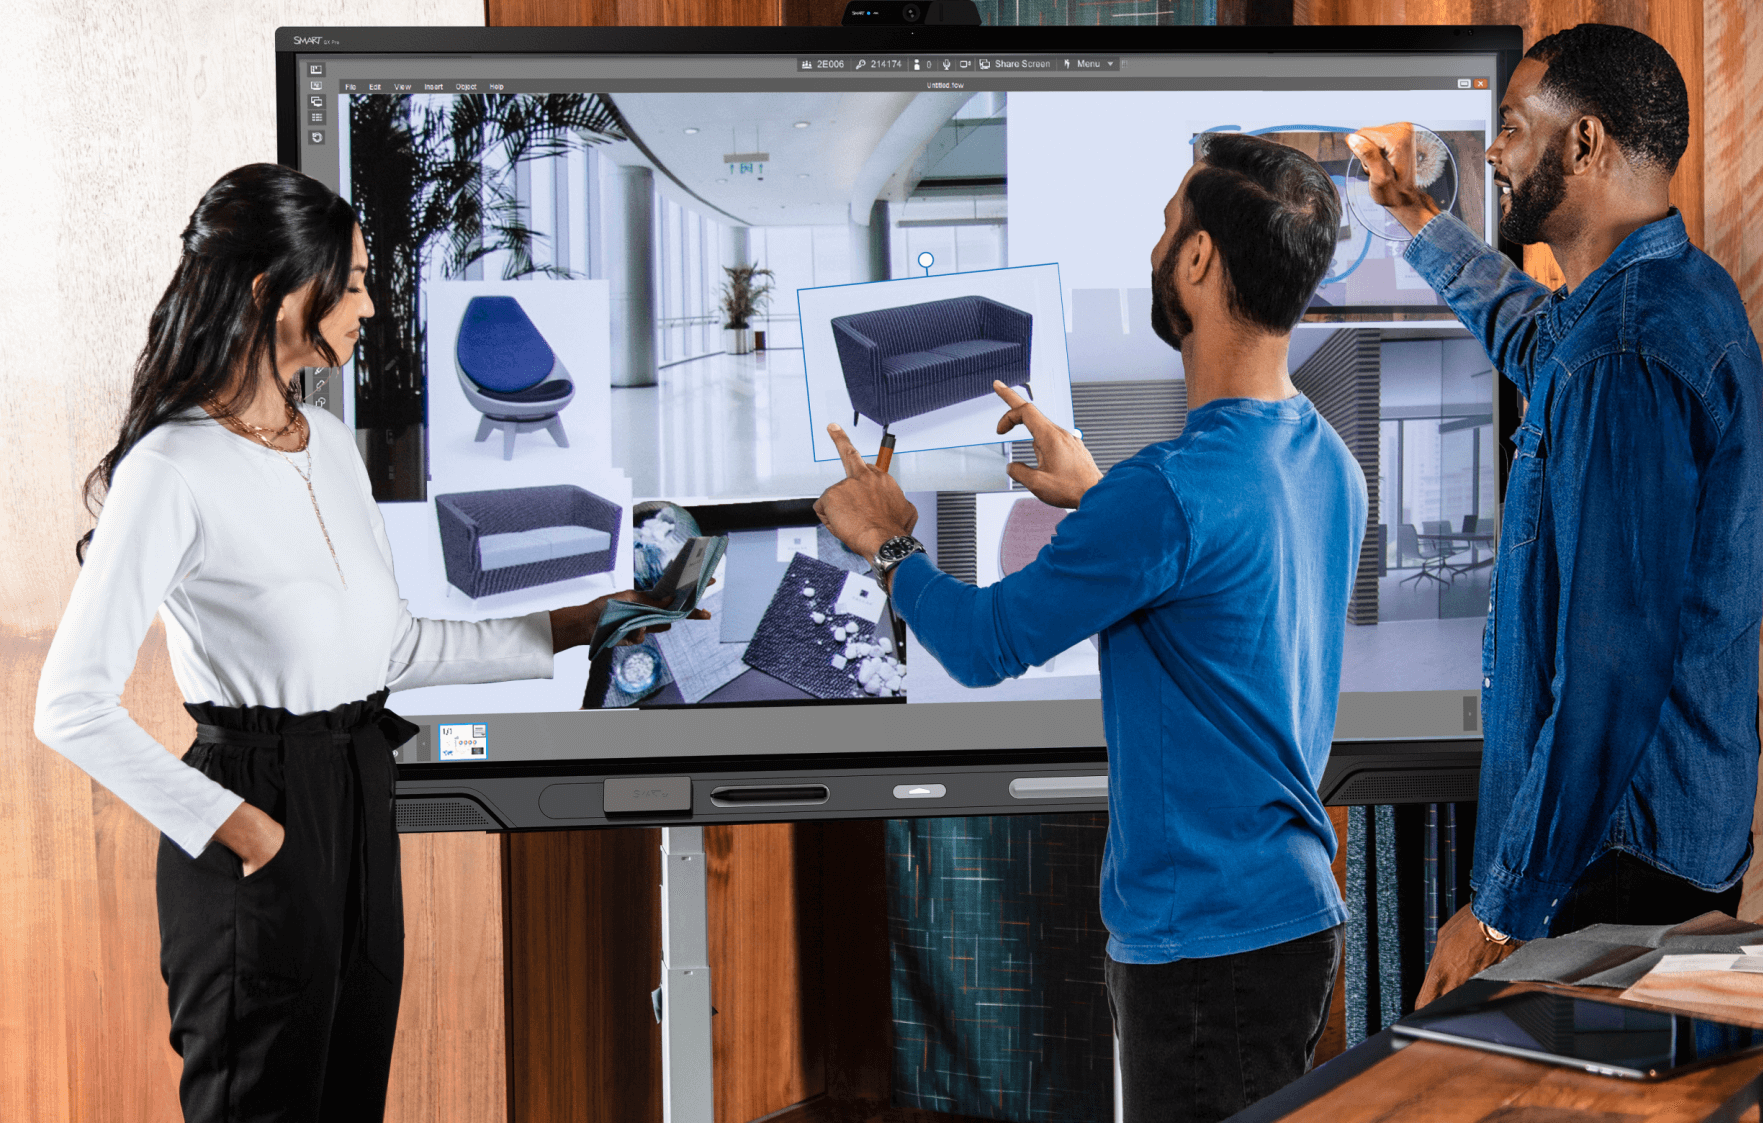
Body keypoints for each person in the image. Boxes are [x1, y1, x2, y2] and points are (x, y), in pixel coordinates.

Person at [33, 164, 690, 1122]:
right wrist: (247, 830)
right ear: (271, 291)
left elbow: (391, 649)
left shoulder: (329, 446)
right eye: (349, 282)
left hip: (359, 794)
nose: (371, 306)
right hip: (256, 808)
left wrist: (581, 624)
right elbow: (70, 707)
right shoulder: (171, 468)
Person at [814, 132, 1366, 1123]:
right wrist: (1103, 496)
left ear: (1198, 262)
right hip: (1288, 919)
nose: (1157, 249)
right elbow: (1214, 598)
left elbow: (985, 645)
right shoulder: (1325, 456)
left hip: (1201, 945)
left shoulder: (1166, 496)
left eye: (1166, 229)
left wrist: (893, 545)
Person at [1347, 23, 1763, 1005]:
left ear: (1582, 143)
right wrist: (1414, 219)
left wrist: (1501, 910)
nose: (1492, 151)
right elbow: (1540, 340)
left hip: (1614, 853)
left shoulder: (1623, 348)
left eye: (1510, 127)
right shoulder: (1670, 295)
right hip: (1669, 826)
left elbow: (1613, 663)